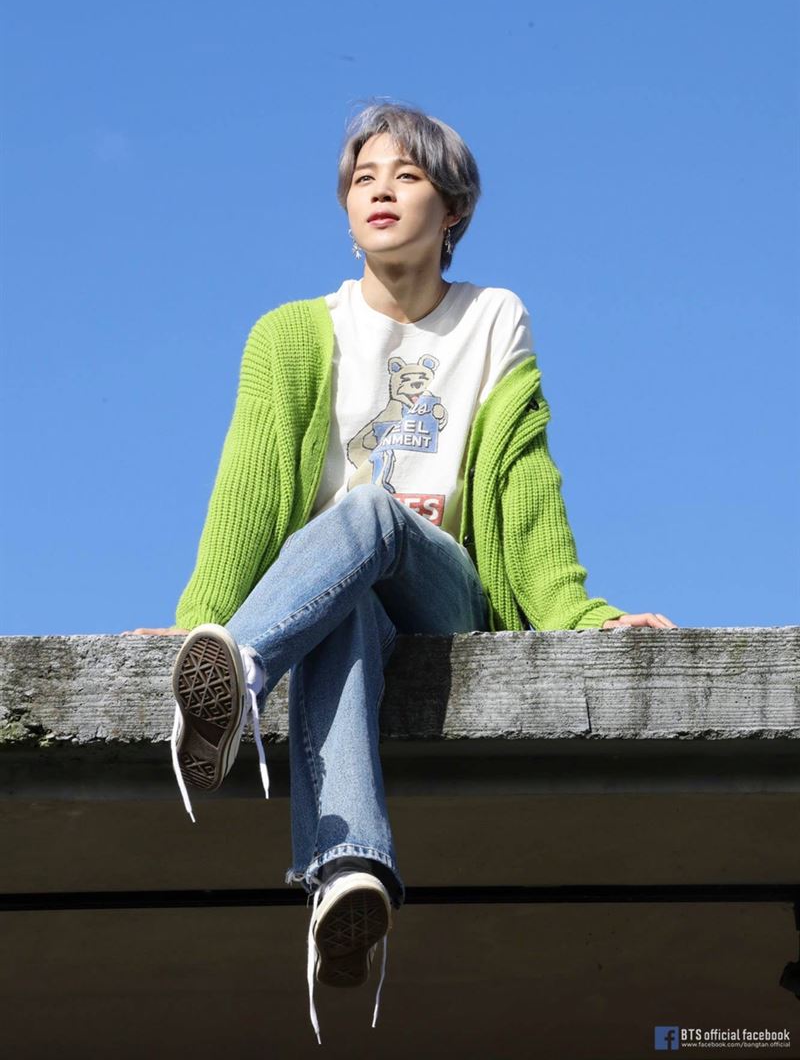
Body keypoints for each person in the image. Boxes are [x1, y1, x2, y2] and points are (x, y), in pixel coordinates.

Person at [124, 100, 677, 1044]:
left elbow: (526, 481)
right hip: (330, 601)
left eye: (407, 175)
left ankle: (241, 670)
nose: (379, 190)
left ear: (452, 209)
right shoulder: (290, 334)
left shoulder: (492, 319)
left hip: (442, 595)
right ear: (345, 210)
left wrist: (580, 615)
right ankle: (349, 873)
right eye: (362, 178)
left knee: (368, 510)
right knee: (341, 607)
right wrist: (197, 616)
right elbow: (246, 490)